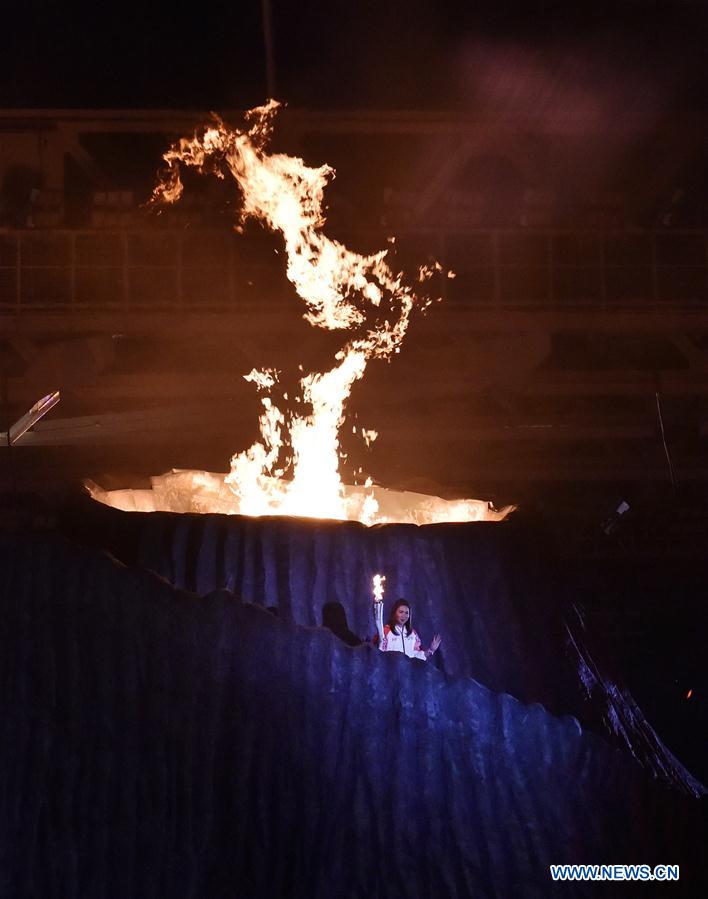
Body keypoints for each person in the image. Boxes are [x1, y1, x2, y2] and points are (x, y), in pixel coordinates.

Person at [373, 599, 441, 661]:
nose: (404, 615)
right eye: (401, 612)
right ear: (394, 613)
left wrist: (431, 650)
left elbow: (417, 656)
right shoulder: (386, 631)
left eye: (406, 613)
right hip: (391, 672)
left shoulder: (413, 633)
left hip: (408, 672)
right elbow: (380, 653)